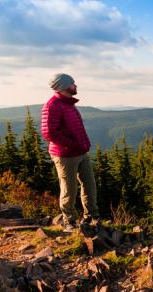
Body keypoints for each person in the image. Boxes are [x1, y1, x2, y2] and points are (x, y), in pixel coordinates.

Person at [41, 73, 99, 231]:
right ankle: (70, 221)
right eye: (73, 84)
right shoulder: (53, 105)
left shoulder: (68, 104)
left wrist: (82, 145)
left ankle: (92, 217)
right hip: (64, 155)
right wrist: (72, 145)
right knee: (69, 188)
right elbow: (49, 133)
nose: (76, 86)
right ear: (64, 86)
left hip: (80, 152)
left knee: (89, 184)